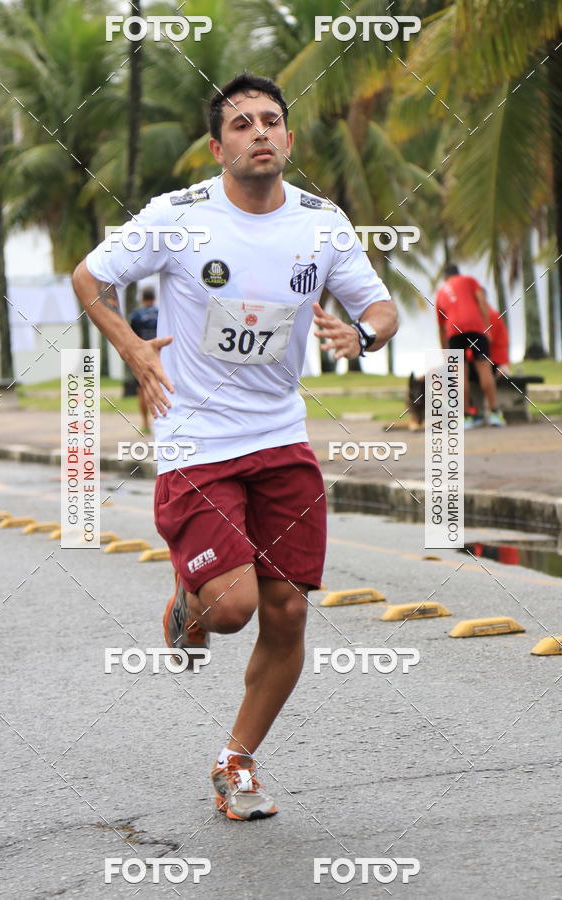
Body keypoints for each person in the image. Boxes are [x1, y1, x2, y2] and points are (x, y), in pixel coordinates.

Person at [72, 72, 398, 821]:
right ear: (219, 147)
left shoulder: (322, 223)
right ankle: (188, 604)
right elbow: (91, 276)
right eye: (243, 123)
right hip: (197, 439)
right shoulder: (179, 217)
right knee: (233, 609)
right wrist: (134, 351)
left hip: (282, 438)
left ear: (288, 138)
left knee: (286, 615)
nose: (260, 131)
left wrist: (365, 333)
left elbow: (378, 304)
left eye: (271, 120)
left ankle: (236, 761)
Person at [436, 264, 506, 428]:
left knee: (459, 374)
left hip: (453, 331)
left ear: (445, 278)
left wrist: (444, 352)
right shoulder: (470, 280)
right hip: (475, 327)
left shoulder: (440, 292)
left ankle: (466, 417)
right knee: (484, 369)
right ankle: (495, 413)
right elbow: (482, 302)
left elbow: (440, 327)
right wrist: (486, 327)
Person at [129, 286, 159, 432]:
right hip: (160, 355)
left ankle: (145, 423)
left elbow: (131, 336)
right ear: (154, 298)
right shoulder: (161, 313)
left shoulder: (136, 315)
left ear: (142, 298)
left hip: (141, 357)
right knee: (162, 389)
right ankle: (160, 421)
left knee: (142, 391)